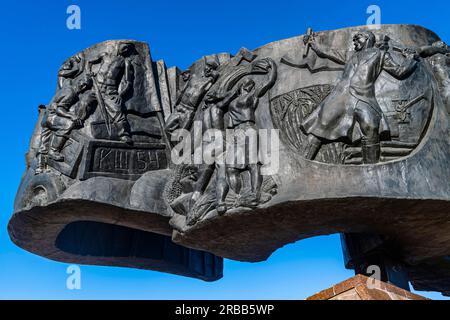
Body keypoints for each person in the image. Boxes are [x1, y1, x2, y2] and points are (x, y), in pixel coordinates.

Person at [301, 31, 418, 164]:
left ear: (367, 38)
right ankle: (301, 164)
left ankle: (372, 168)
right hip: (340, 97)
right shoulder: (350, 55)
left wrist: (410, 58)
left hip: (364, 98)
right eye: (354, 39)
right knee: (319, 129)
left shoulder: (380, 54)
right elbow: (326, 52)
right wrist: (312, 43)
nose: (354, 41)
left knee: (371, 128)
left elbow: (399, 71)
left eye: (358, 38)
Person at [36, 76, 95, 174]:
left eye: (86, 86)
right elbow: (60, 109)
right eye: (83, 84)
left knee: (44, 143)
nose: (84, 87)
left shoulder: (67, 87)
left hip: (46, 118)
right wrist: (71, 116)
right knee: (68, 124)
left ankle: (40, 168)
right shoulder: (71, 93)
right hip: (52, 117)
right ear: (79, 81)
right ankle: (54, 150)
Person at [87, 42, 134, 144]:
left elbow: (128, 82)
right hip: (96, 87)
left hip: (110, 92)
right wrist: (88, 72)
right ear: (118, 46)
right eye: (124, 46)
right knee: (86, 104)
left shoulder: (126, 62)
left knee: (118, 113)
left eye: (128, 48)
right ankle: (79, 121)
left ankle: (124, 135)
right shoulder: (105, 55)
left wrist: (121, 95)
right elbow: (89, 62)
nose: (125, 49)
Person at [164, 56, 220, 140]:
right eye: (207, 66)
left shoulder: (209, 82)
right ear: (204, 66)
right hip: (179, 108)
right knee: (166, 129)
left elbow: (216, 76)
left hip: (189, 111)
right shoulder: (193, 76)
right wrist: (176, 103)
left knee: (182, 136)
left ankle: (181, 151)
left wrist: (213, 74)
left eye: (211, 68)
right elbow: (183, 90)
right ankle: (177, 149)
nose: (208, 69)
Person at [417, 41, 450, 113]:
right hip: (445, 86)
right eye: (443, 45)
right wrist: (442, 50)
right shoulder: (438, 56)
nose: (446, 46)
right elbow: (421, 50)